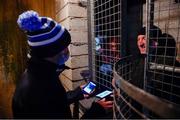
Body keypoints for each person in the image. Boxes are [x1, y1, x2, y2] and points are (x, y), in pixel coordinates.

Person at [12, 10, 113, 119]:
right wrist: (97, 110)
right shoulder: (38, 87)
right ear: (55, 50)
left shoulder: (39, 74)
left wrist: (77, 93)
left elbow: (53, 102)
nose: (66, 50)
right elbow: (47, 102)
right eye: (65, 46)